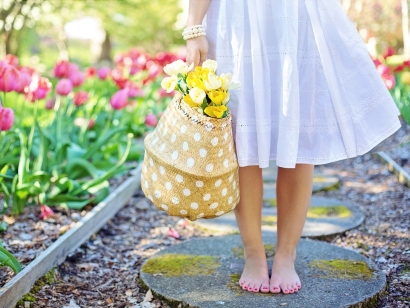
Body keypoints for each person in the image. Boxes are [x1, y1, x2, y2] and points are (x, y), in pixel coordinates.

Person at [184, 0, 401, 294]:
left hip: (297, 13)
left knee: (298, 129)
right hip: (237, 15)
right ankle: (253, 252)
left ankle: (287, 253)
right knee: (240, 133)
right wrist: (193, 26)